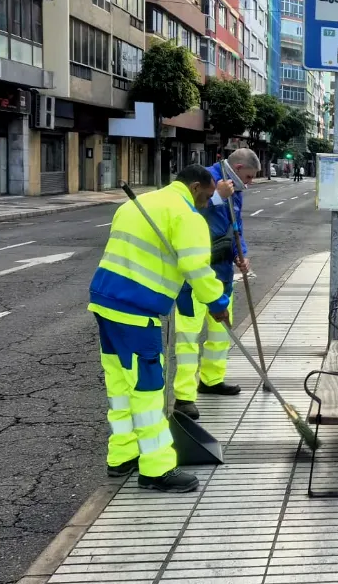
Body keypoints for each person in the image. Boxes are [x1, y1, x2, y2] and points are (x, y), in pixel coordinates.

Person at [88, 164, 230, 493]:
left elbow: (148, 257)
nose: (207, 204)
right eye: (207, 197)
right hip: (137, 312)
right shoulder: (186, 216)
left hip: (105, 303)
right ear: (196, 187)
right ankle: (156, 469)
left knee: (120, 386)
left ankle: (122, 456)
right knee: (148, 392)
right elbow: (196, 267)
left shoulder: (135, 205)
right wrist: (218, 303)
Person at [171, 149, 260, 419]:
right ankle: (184, 397)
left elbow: (235, 227)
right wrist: (219, 196)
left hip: (221, 271)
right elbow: (187, 213)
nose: (251, 182)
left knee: (221, 330)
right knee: (188, 336)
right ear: (239, 166)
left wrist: (240, 255)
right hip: (194, 272)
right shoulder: (204, 180)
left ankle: (211, 380)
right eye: (249, 176)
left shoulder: (236, 190)